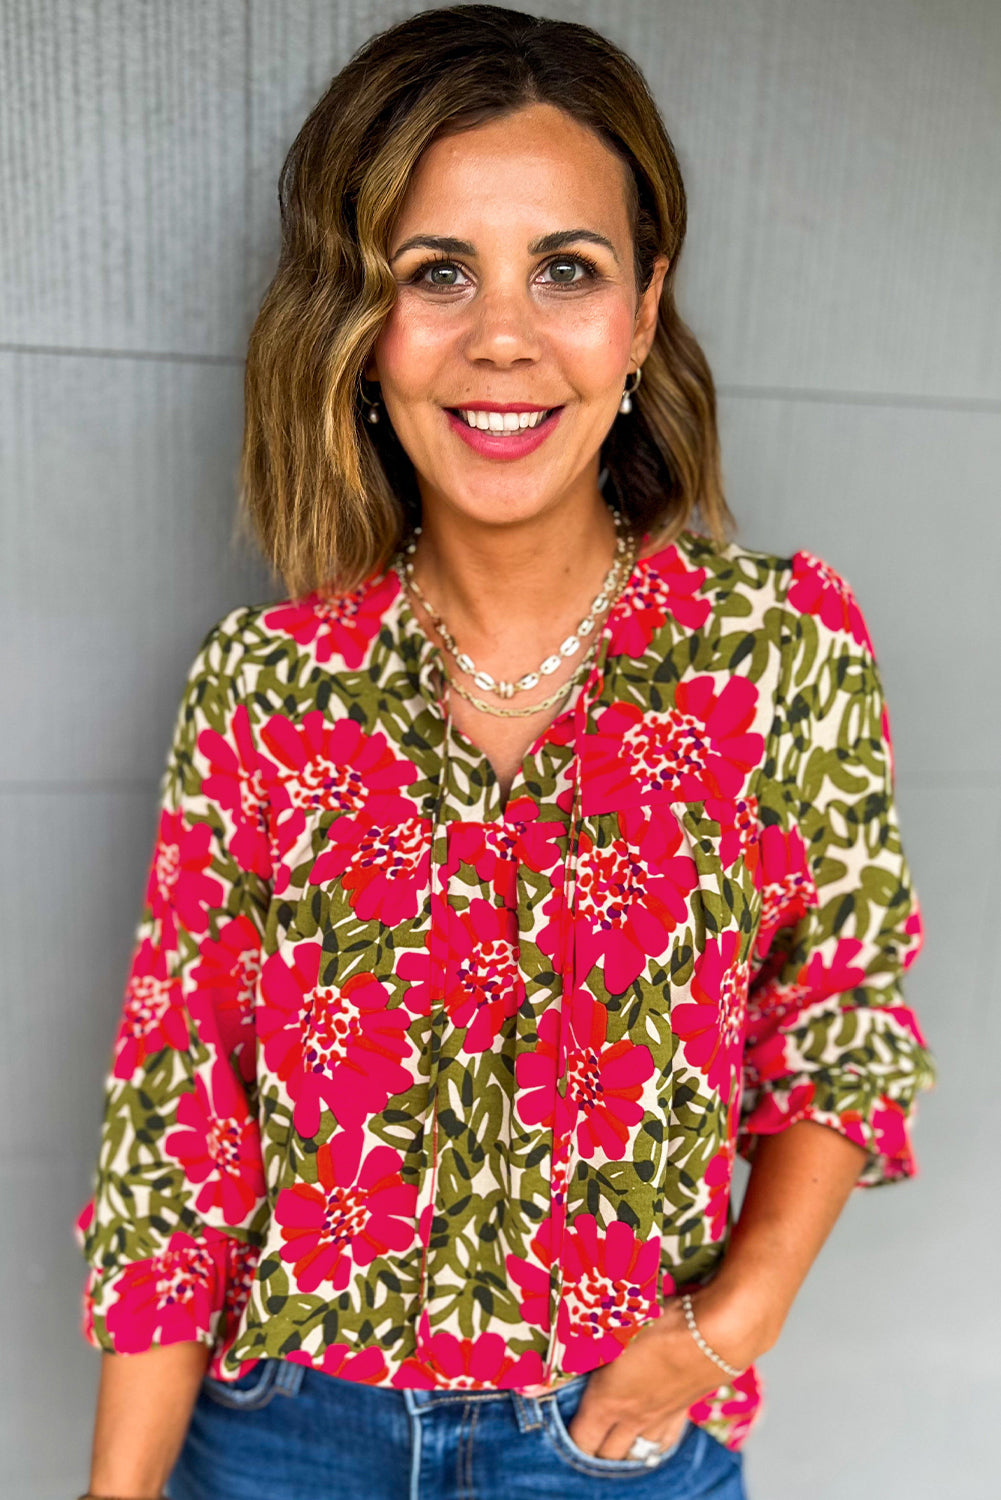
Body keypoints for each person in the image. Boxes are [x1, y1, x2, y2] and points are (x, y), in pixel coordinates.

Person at [74, 6, 937, 1499]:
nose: (501, 337)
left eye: (566, 269)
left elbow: (837, 1028)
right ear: (359, 323)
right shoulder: (266, 691)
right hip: (282, 1434)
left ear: (643, 308)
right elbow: (175, 1150)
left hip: (610, 1440)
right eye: (435, 273)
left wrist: (722, 1325)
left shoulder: (777, 649)